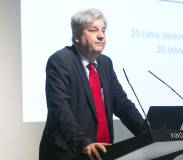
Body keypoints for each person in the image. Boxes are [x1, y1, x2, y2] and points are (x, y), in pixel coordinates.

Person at [39, 8, 148, 160]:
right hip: (70, 153)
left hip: (103, 152)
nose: (101, 35)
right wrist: (83, 143)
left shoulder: (105, 64)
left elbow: (122, 105)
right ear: (76, 35)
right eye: (93, 30)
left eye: (103, 30)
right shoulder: (60, 61)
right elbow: (60, 109)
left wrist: (148, 136)